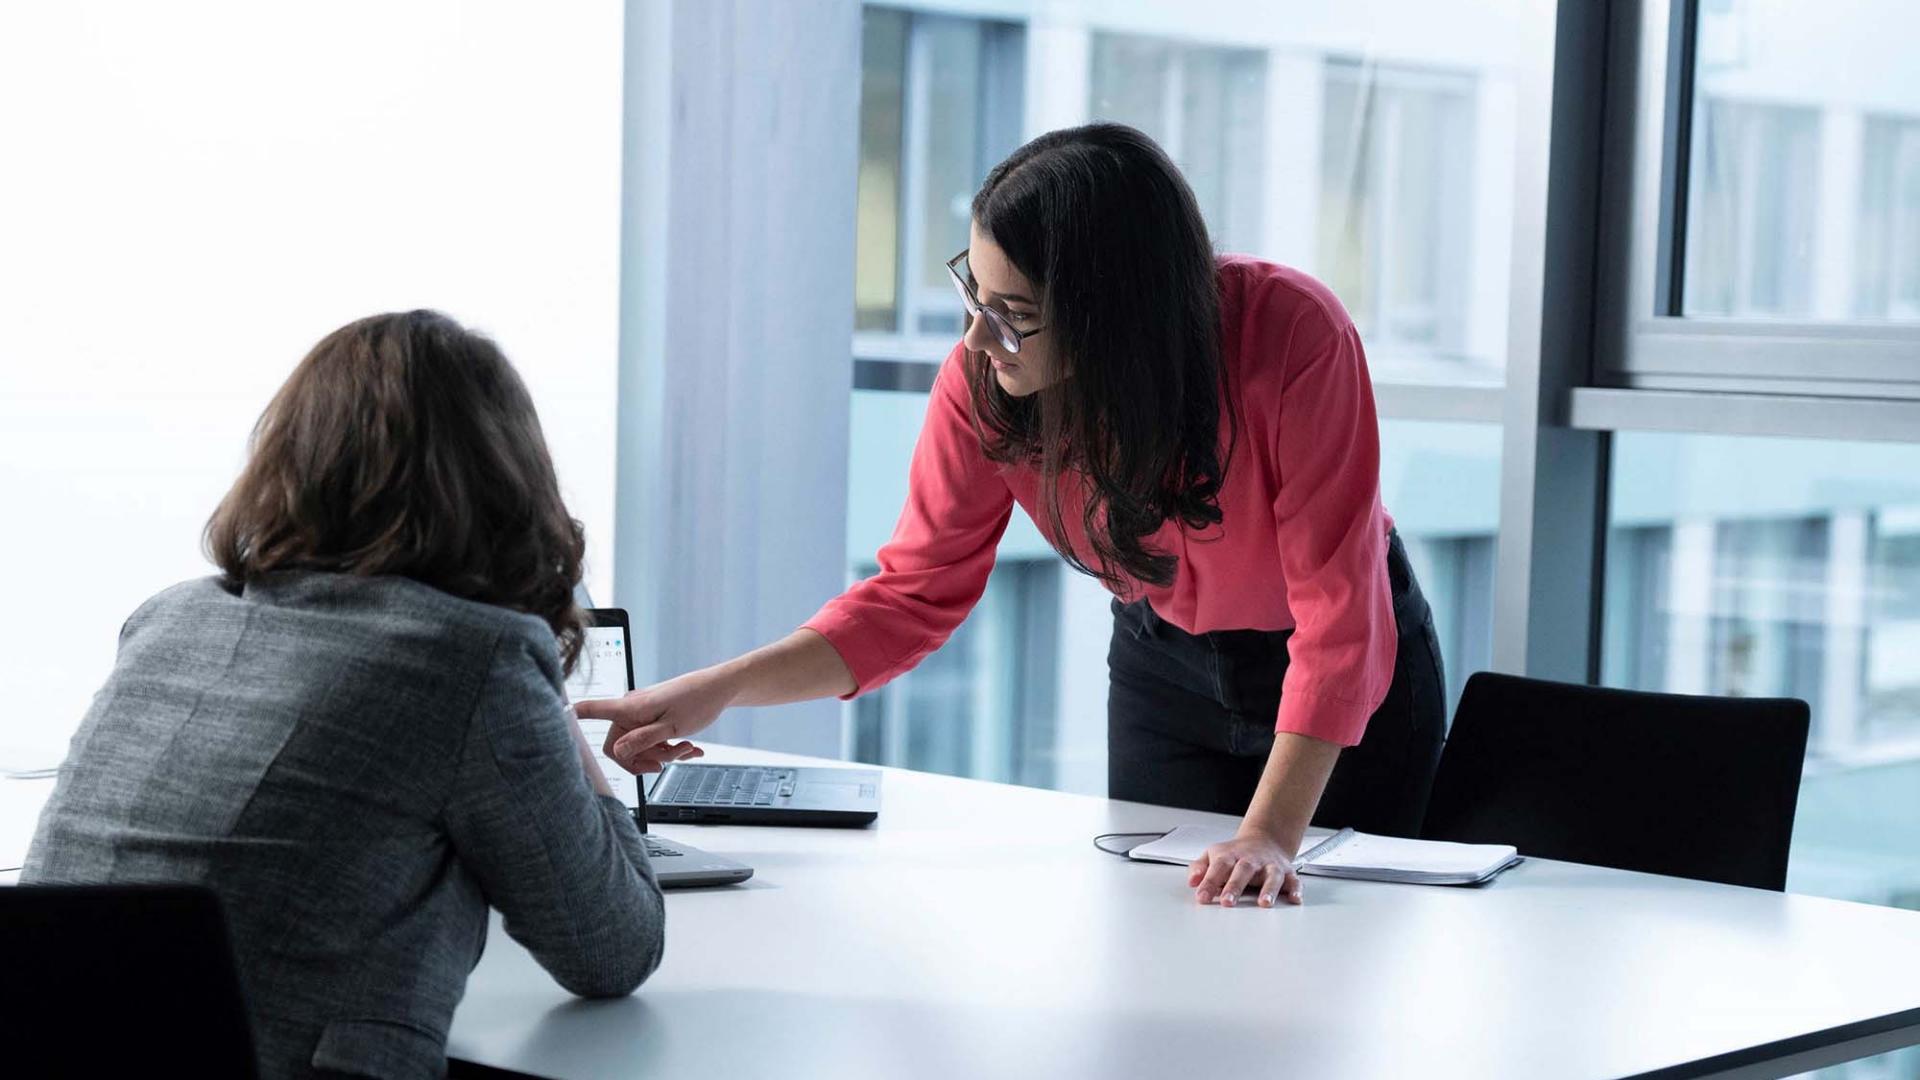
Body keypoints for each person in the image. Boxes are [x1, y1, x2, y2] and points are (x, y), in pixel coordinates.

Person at [580, 123, 1446, 912]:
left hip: (1349, 674)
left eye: (1014, 315)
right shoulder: (981, 387)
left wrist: (1267, 833)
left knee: (1331, 938)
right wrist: (714, 691)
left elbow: (1340, 619)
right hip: (1163, 664)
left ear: (1116, 319)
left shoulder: (1292, 334)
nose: (977, 340)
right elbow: (910, 597)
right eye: (974, 293)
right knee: (1160, 930)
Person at [23, 311, 665, 1078]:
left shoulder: (170, 618)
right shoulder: (470, 660)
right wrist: (558, 725)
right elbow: (610, 948)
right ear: (506, 476)